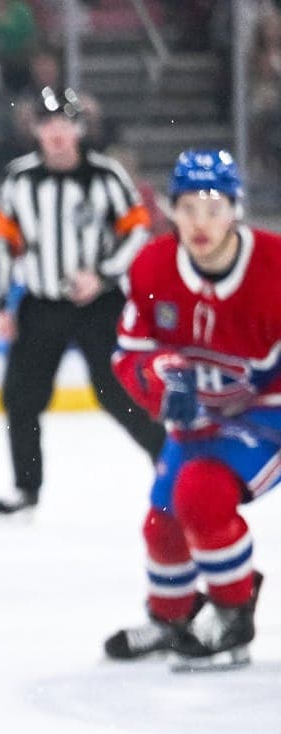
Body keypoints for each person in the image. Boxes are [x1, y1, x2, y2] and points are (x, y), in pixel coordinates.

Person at [105, 150, 278, 668]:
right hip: (201, 415)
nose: (200, 222)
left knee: (200, 495)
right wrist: (159, 379)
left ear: (235, 210)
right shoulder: (154, 265)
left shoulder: (273, 267)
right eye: (188, 207)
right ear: (171, 211)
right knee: (162, 523)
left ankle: (231, 614)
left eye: (213, 206)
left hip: (268, 414)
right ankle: (172, 615)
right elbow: (129, 353)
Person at [0, 86, 164, 515]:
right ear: (37, 131)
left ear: (79, 128)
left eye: (64, 124)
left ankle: (168, 464)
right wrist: (0, 303)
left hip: (99, 304)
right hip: (42, 303)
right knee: (21, 397)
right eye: (48, 125)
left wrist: (103, 275)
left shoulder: (107, 175)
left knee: (119, 391)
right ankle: (27, 489)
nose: (56, 134)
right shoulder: (18, 178)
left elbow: (137, 229)